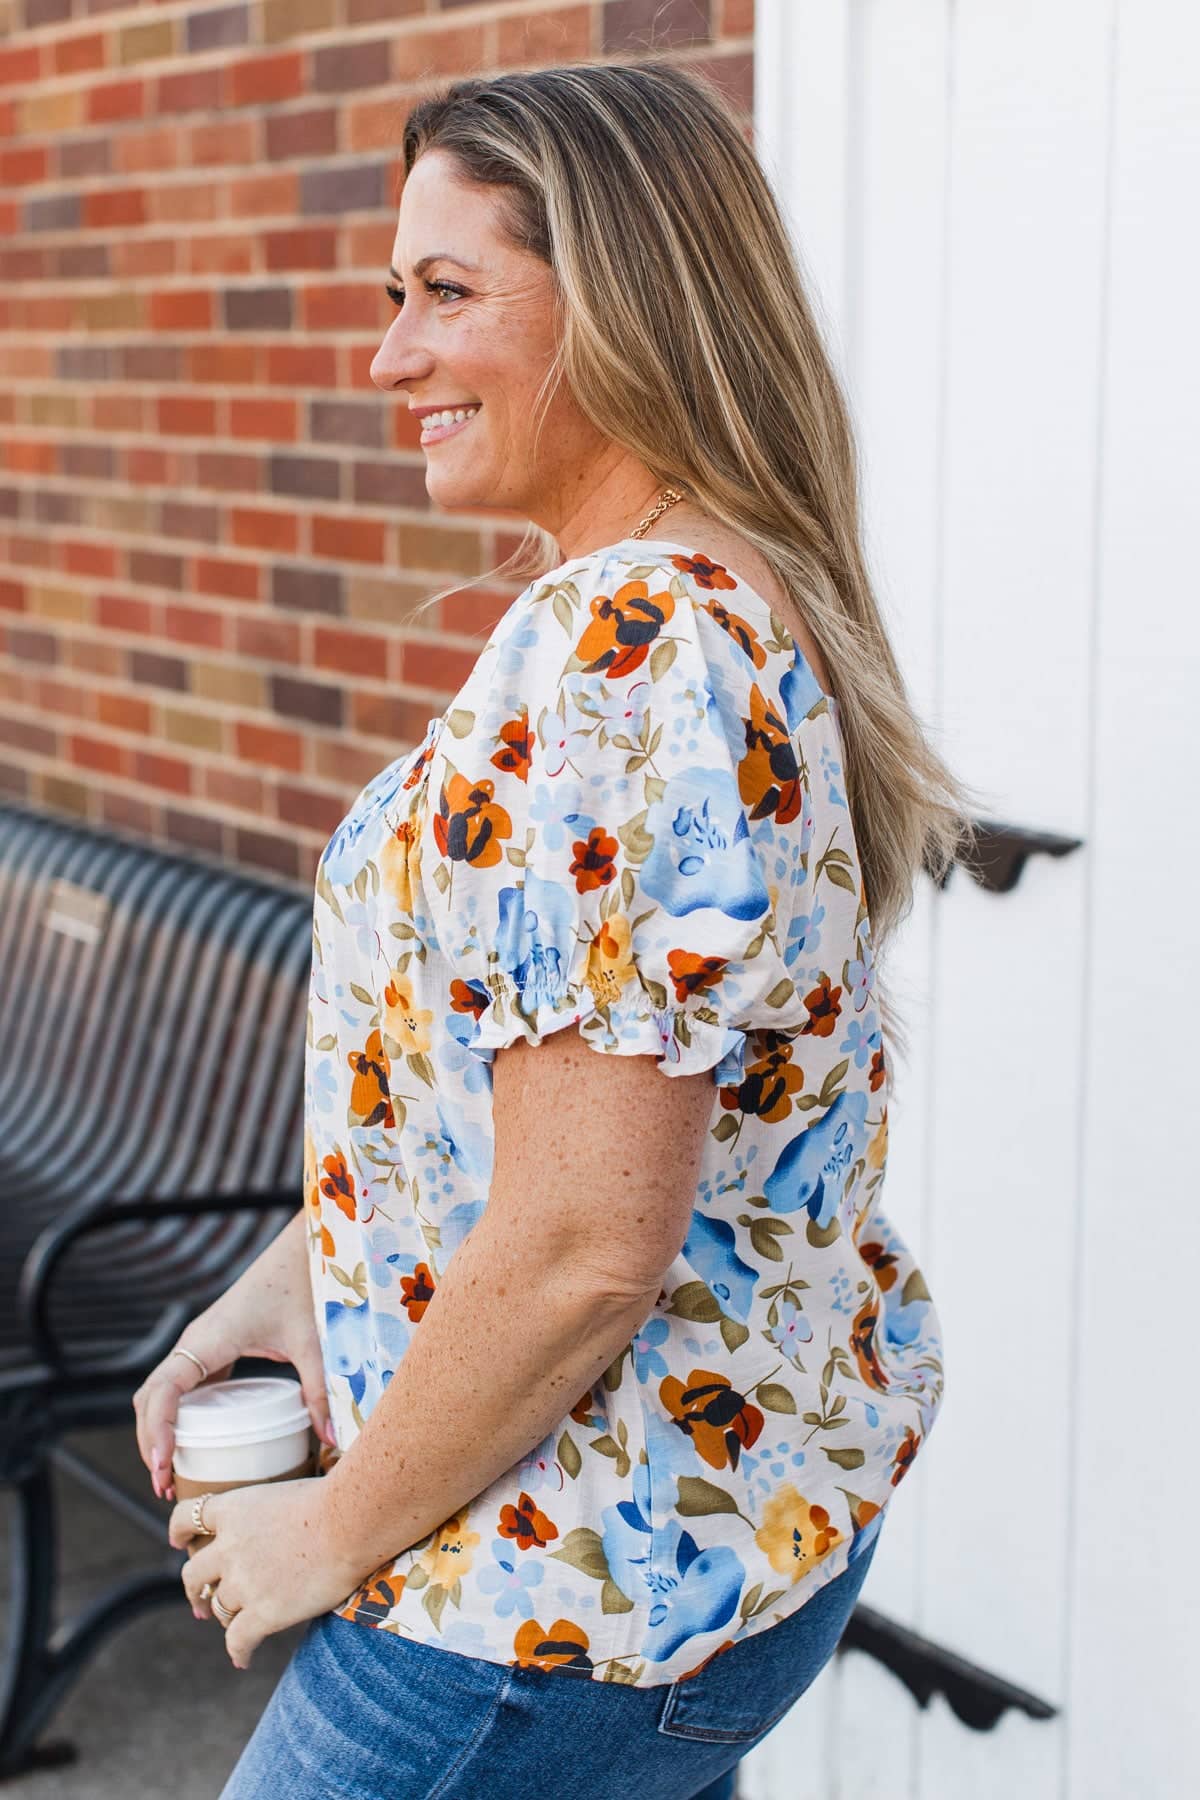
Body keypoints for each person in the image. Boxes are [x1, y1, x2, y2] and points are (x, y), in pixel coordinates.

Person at [131, 59, 978, 1800]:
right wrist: (305, 1278)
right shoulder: (707, 596)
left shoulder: (629, 651)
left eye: (447, 293)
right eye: (396, 294)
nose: (390, 357)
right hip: (692, 1540)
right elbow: (526, 1093)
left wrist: (323, 1538)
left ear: (627, 301)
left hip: (537, 1596)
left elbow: (590, 1241)